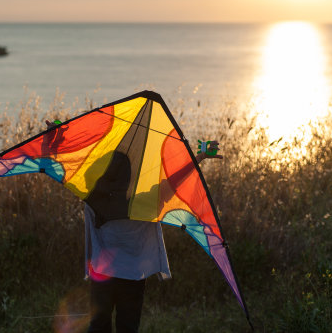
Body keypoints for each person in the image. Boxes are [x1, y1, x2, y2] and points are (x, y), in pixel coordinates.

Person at [46, 121, 222, 333]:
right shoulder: (145, 203)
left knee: (99, 326)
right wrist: (199, 157)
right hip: (134, 277)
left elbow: (67, 167)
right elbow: (175, 181)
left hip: (102, 275)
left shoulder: (92, 197)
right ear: (129, 178)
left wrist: (54, 140)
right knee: (128, 327)